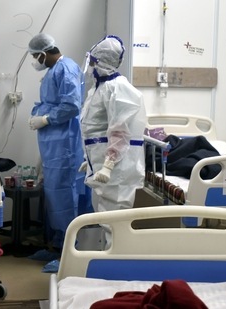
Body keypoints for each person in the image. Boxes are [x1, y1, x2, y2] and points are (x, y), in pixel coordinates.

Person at [26, 33, 87, 270]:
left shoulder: (67, 69)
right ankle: (57, 244)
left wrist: (46, 119)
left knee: (65, 194)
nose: (34, 60)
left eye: (35, 55)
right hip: (54, 144)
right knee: (54, 193)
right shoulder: (54, 71)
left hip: (65, 145)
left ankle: (68, 255)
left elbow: (71, 106)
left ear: (44, 53)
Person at [79, 35, 147, 247]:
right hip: (100, 165)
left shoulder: (118, 88)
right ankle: (105, 264)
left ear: (101, 61)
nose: (89, 65)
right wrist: (89, 158)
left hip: (117, 170)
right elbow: (93, 128)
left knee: (114, 223)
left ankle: (116, 271)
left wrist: (109, 164)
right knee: (103, 218)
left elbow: (120, 131)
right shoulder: (99, 87)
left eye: (91, 61)